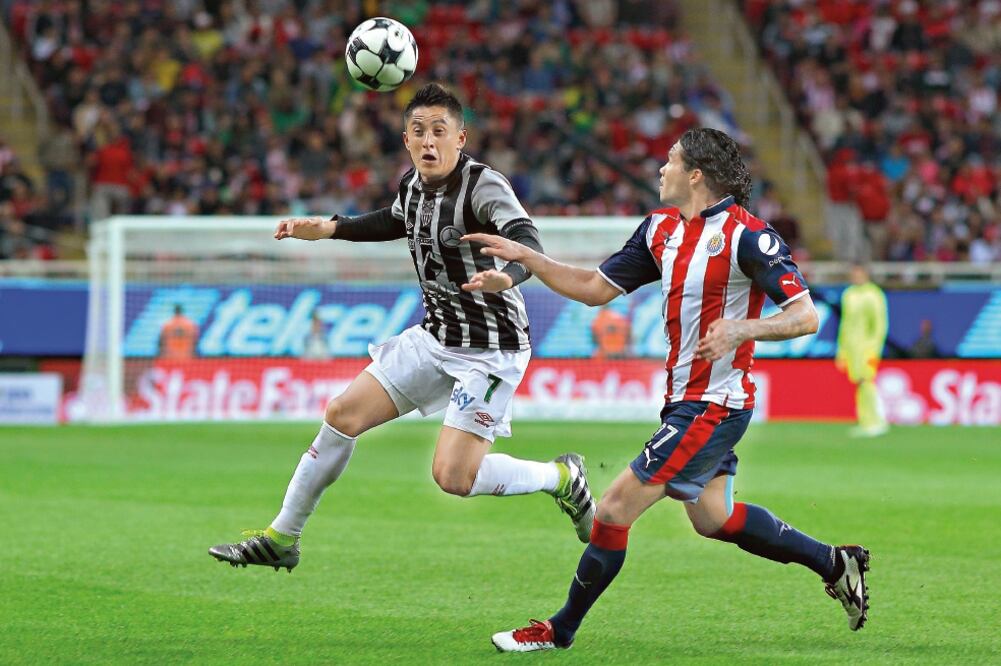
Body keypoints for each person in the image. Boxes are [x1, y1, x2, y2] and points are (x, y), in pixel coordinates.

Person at [463, 128, 870, 652]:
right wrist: (528, 263)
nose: (661, 169)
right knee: (714, 519)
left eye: (671, 161)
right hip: (686, 401)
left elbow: (805, 315)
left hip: (714, 405)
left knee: (610, 510)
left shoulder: (748, 236)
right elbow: (593, 289)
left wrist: (744, 328)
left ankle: (557, 630)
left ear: (696, 173)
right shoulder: (659, 230)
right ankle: (836, 562)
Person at [209, 83, 595, 572]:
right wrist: (329, 228)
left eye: (439, 131)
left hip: (491, 348)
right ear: (406, 140)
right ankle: (282, 538)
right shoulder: (411, 186)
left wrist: (509, 275)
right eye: (418, 132)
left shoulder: (484, 186)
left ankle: (561, 478)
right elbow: (393, 221)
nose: (428, 142)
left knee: (453, 476)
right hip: (436, 337)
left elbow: (525, 237)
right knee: (342, 414)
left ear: (461, 138)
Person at [836, 263, 889, 437]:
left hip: (868, 349)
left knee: (867, 381)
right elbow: (844, 324)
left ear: (866, 274)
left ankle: (876, 421)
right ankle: (865, 421)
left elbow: (880, 325)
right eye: (854, 274)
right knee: (860, 382)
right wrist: (841, 351)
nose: (856, 277)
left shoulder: (874, 294)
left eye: (859, 273)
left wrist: (875, 348)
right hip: (852, 349)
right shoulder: (848, 294)